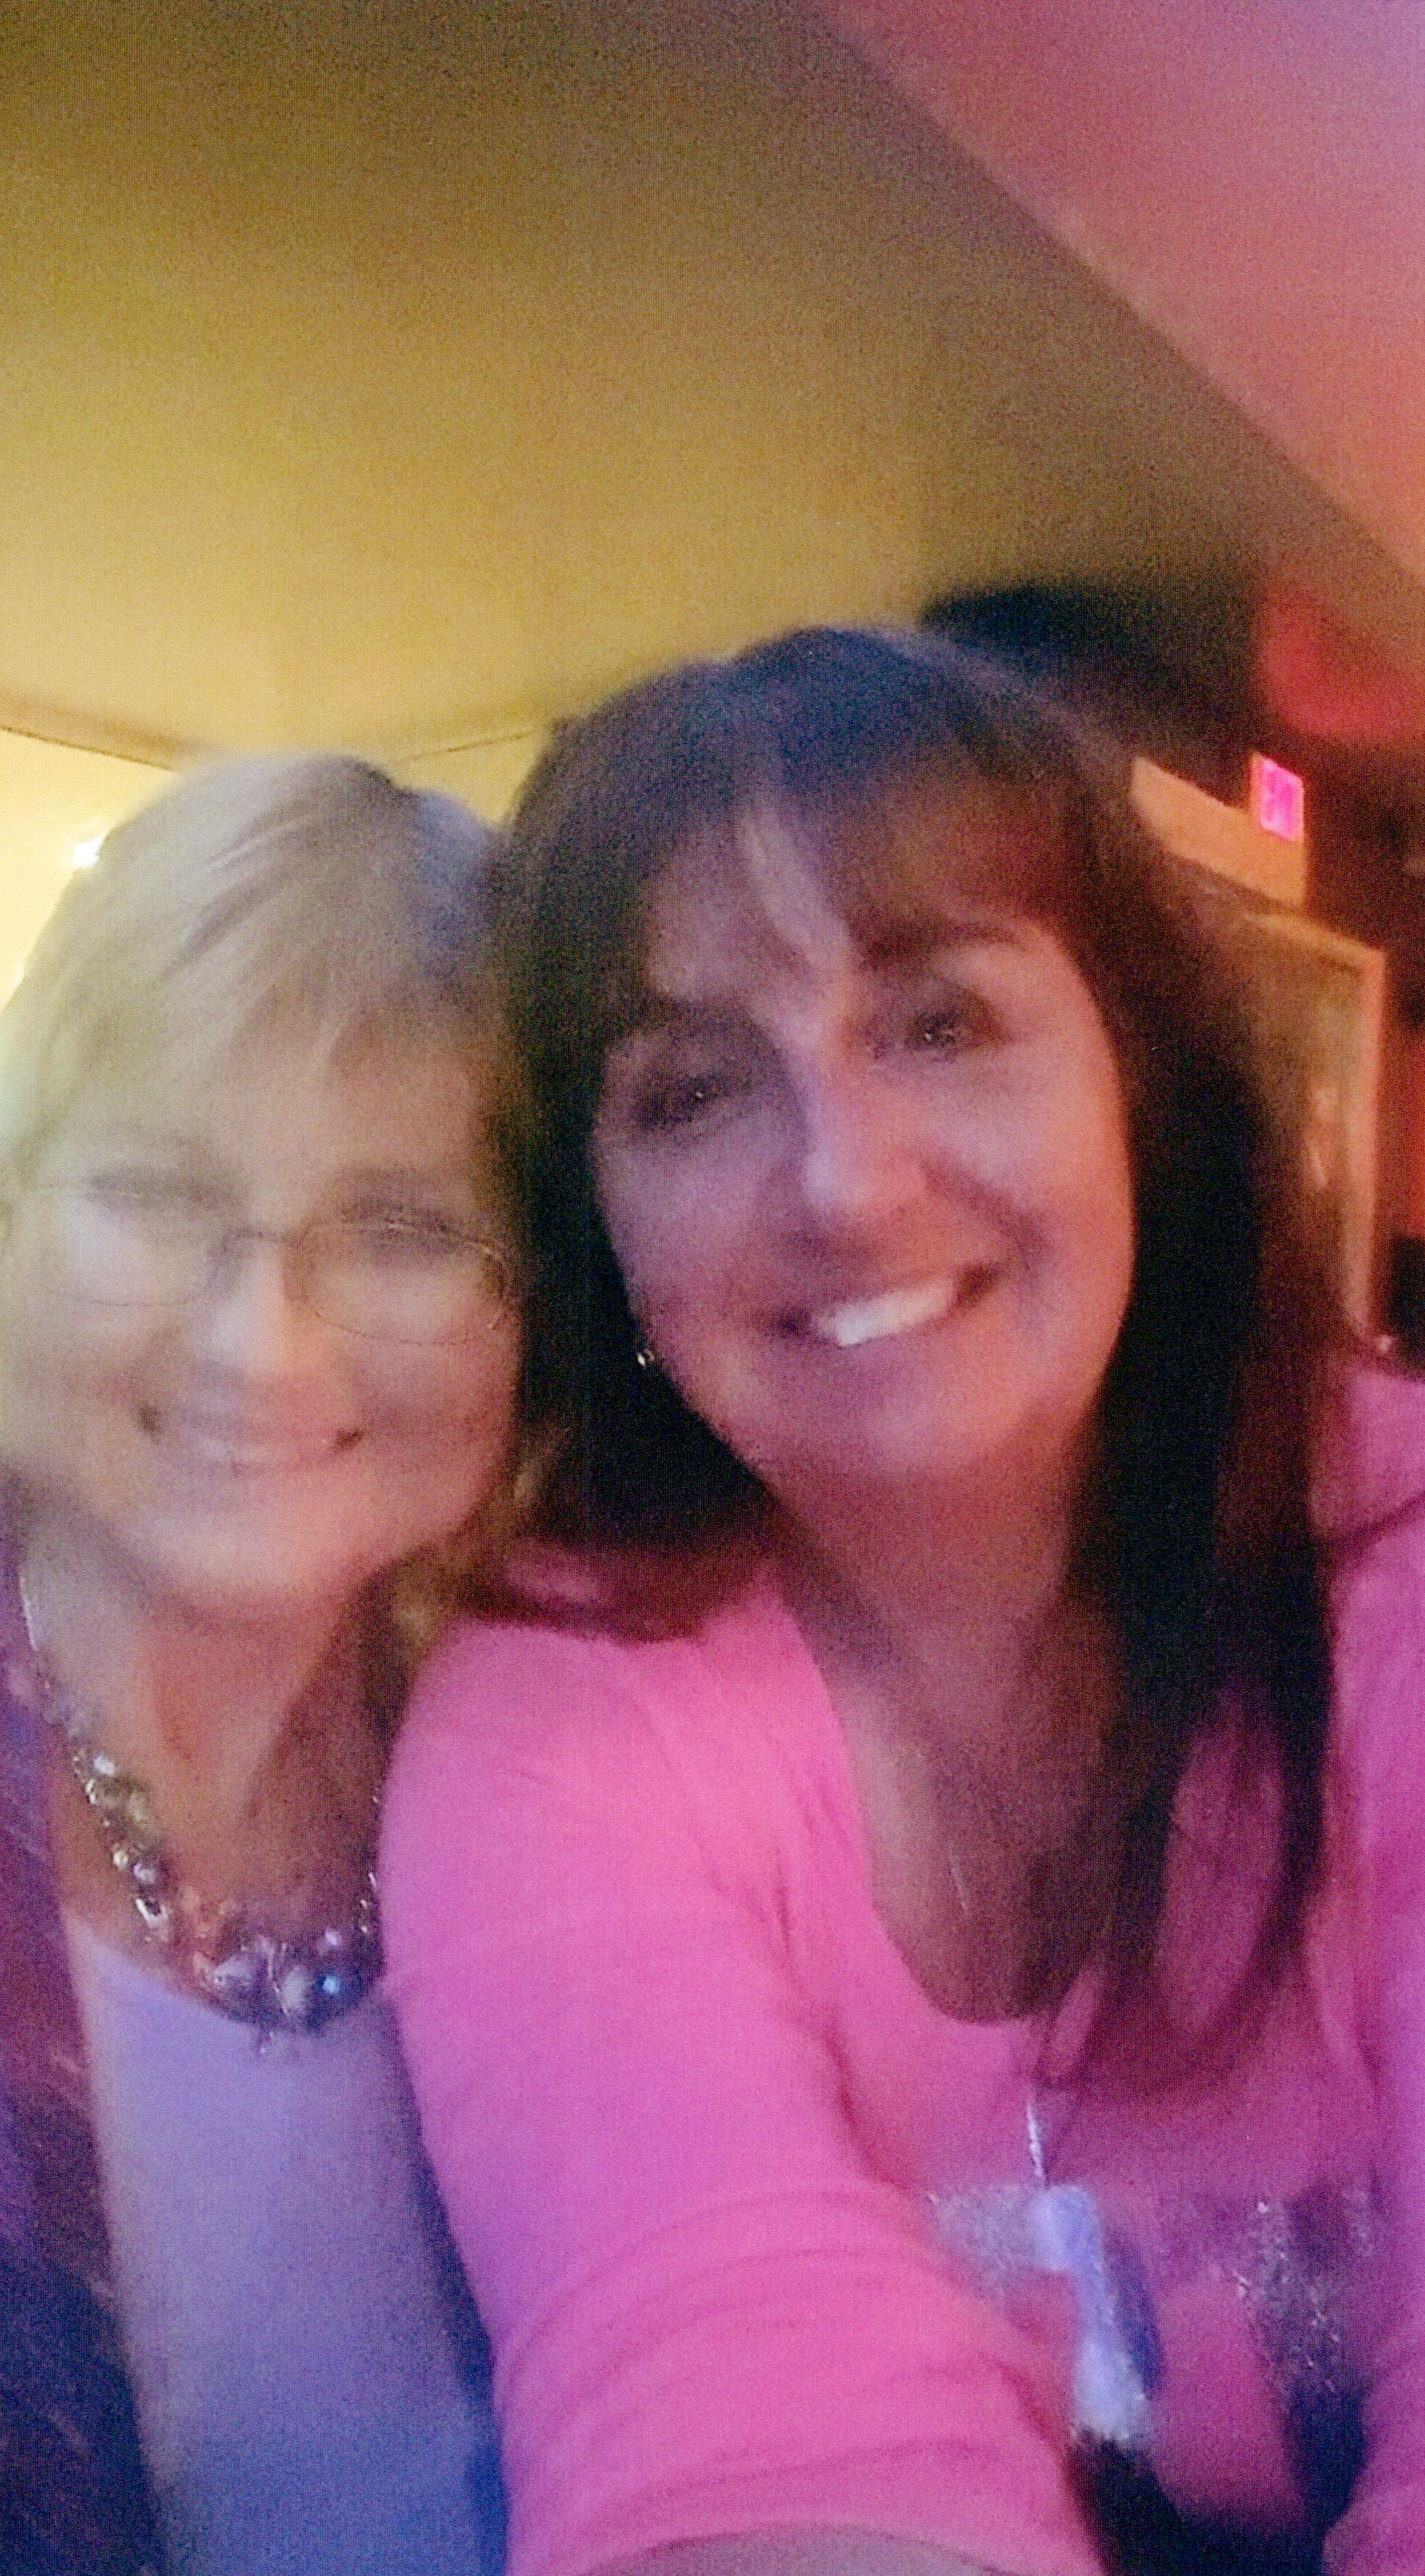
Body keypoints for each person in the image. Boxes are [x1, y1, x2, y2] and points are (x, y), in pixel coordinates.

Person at [381, 626, 1425, 2576]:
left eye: (937, 1023)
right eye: (692, 1091)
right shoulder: (561, 1714)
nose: (846, 1182)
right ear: (597, 1230)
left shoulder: (1397, 1559)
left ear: (1138, 1081)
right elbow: (735, 2430)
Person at [0, 753, 520, 2575]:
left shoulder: (583, 1791)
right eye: (157, 1193)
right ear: (7, 1218)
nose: (260, 1343)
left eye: (402, 1226)